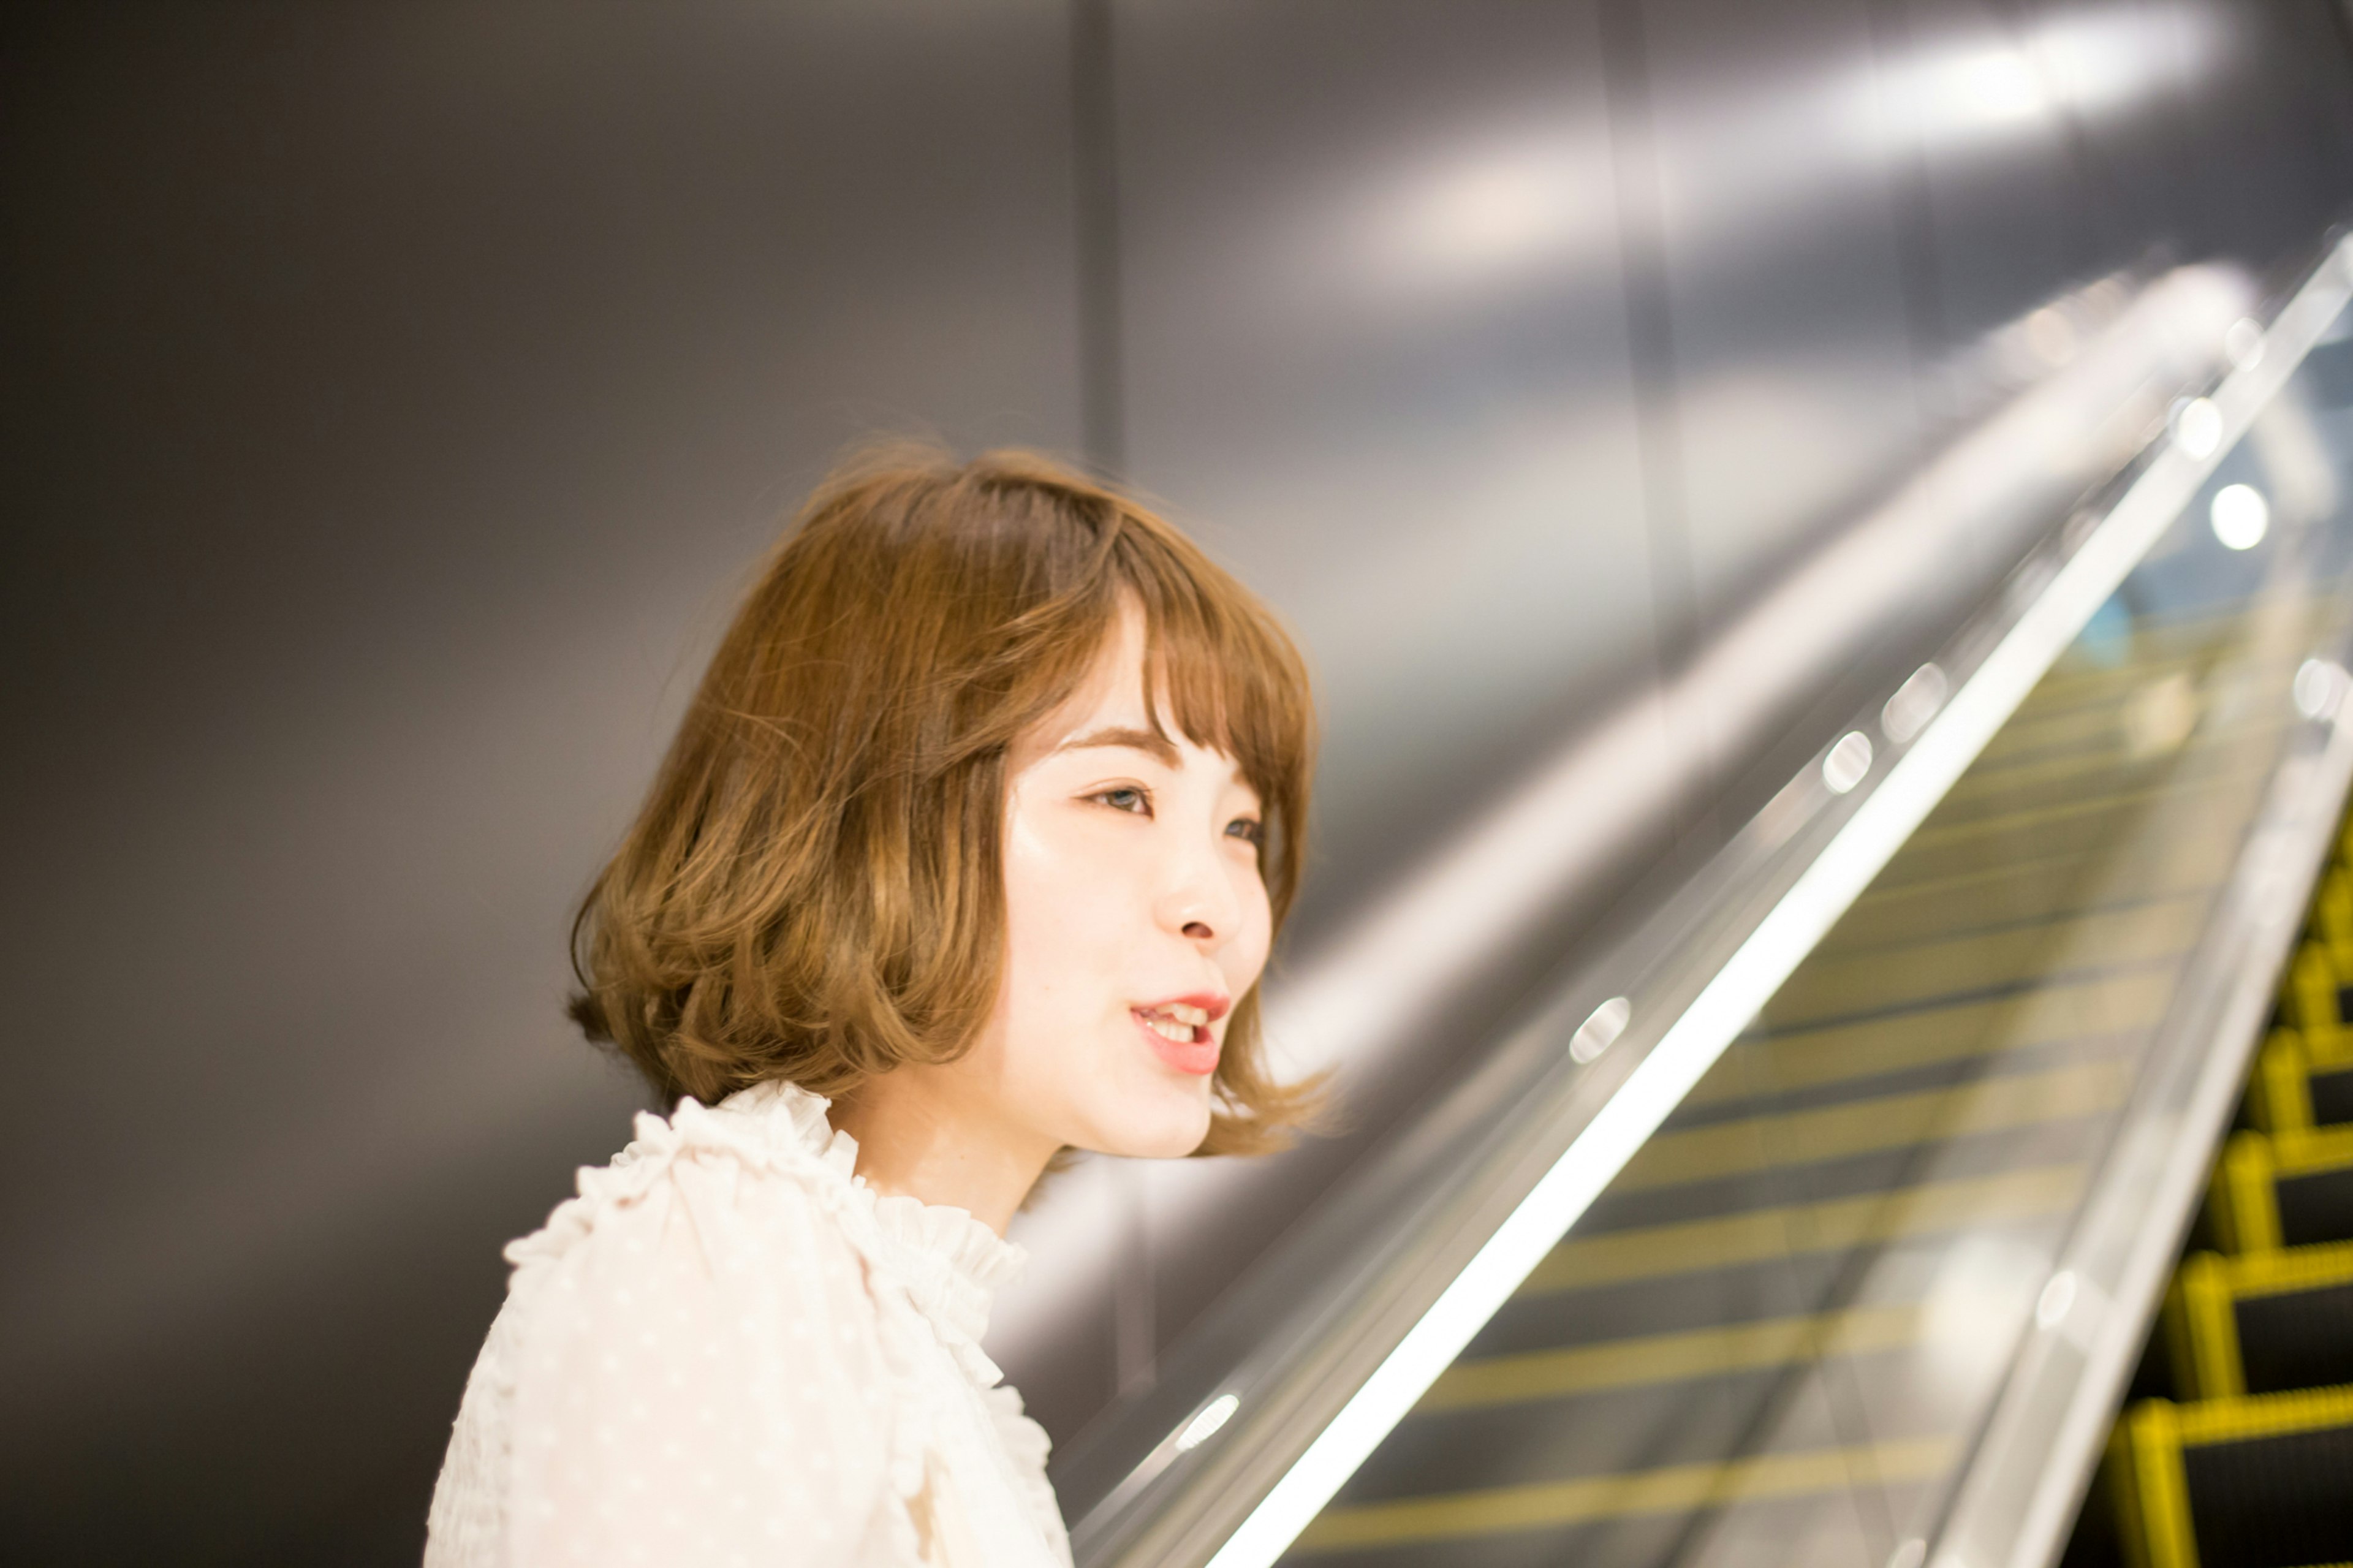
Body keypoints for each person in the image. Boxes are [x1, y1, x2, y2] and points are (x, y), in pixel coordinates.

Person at [423, 447, 1321, 1567]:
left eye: (1239, 827)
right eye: (1121, 795)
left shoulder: (859, 1321)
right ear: (874, 824)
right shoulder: (718, 1268)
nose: (1218, 906)